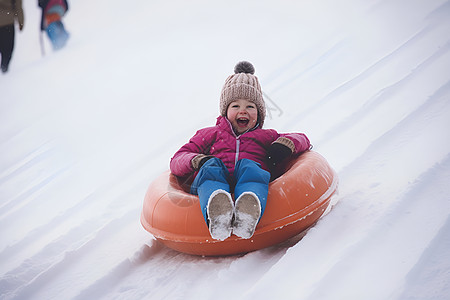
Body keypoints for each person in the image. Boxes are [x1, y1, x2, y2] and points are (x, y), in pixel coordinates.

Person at [170, 61, 311, 241]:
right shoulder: (210, 134)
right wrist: (197, 160)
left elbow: (303, 139)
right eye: (235, 106)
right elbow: (178, 159)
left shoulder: (265, 136)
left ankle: (247, 211)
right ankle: (217, 211)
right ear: (225, 110)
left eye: (250, 106)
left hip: (250, 182)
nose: (242, 111)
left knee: (251, 167)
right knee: (211, 167)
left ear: (259, 113)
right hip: (211, 183)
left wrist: (285, 144)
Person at [0, 0, 24, 73]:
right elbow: (18, 5)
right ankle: (4, 69)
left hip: (7, 21)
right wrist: (21, 21)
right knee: (8, 49)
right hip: (8, 22)